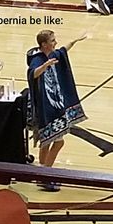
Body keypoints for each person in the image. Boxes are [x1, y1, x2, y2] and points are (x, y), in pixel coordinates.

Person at [27, 30, 87, 191]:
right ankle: (45, 174)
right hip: (45, 107)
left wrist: (75, 39)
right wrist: (45, 66)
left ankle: (42, 172)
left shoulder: (54, 54)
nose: (55, 43)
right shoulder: (37, 59)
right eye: (52, 41)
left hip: (55, 105)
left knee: (47, 142)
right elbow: (33, 74)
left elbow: (63, 50)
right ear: (44, 44)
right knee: (57, 142)